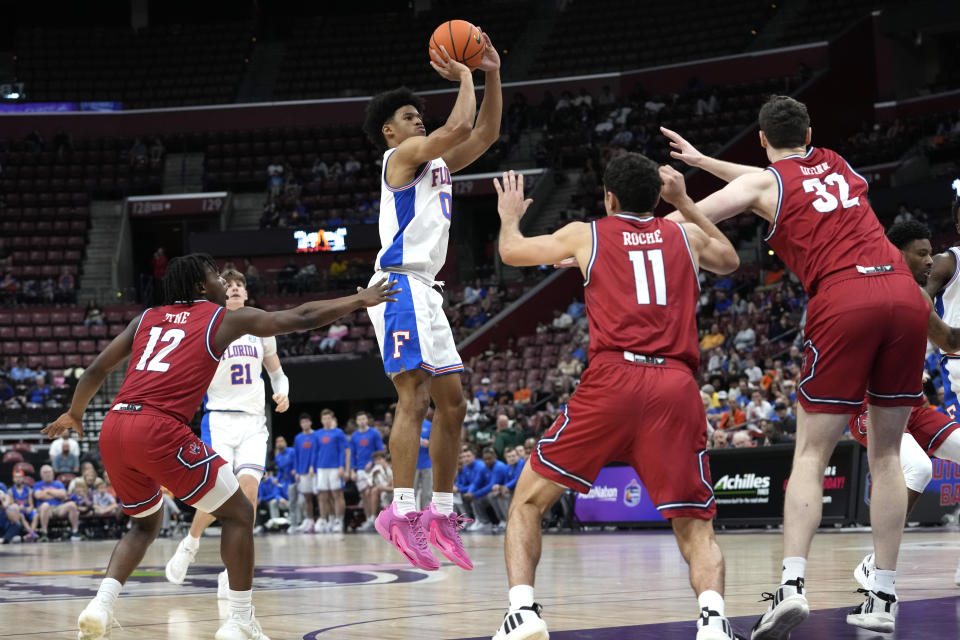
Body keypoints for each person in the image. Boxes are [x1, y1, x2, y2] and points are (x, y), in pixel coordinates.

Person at [662, 95, 929, 636]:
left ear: (761, 139)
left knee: (810, 452)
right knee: (885, 456)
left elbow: (702, 213)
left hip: (844, 295)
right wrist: (705, 160)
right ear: (809, 131)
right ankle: (883, 596)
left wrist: (609, 241)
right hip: (903, 295)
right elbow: (782, 175)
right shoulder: (838, 163)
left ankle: (791, 586)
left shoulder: (763, 182)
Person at [42, 253, 397, 640]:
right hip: (158, 428)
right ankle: (239, 620)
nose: (224, 284)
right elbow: (302, 317)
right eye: (215, 277)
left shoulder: (144, 318)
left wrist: (76, 414)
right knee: (240, 514)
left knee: (145, 524)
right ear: (200, 286)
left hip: (113, 426)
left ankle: (100, 606)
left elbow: (96, 370)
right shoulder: (221, 318)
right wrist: (359, 300)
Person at [490, 155, 741, 640]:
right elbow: (730, 259)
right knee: (695, 523)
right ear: (658, 197)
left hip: (613, 379)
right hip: (674, 383)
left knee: (527, 502)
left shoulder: (588, 234)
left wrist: (508, 218)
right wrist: (686, 203)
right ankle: (713, 622)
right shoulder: (684, 234)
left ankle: (523, 613)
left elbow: (511, 252)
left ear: (609, 198)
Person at [360, 28, 501, 571]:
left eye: (420, 113)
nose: (417, 117)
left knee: (454, 404)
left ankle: (440, 515)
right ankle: (399, 513)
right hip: (397, 285)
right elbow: (460, 123)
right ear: (389, 131)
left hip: (426, 290)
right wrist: (464, 74)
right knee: (414, 399)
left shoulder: (437, 164)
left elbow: (483, 132)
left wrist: (490, 71)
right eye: (408, 115)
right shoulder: (400, 158)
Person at [849, 220, 960, 592]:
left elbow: (947, 340)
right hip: (871, 406)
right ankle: (877, 564)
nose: (931, 260)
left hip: (911, 405)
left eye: (932, 252)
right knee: (918, 469)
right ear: (898, 254)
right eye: (922, 253)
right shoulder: (871, 293)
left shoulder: (916, 297)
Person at [165, 269, 291, 596]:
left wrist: (283, 392)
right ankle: (190, 545)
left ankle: (229, 570)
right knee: (219, 492)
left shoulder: (261, 327)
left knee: (248, 493)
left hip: (253, 421)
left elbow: (276, 372)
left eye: (240, 286)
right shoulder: (211, 326)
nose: (234, 289)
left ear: (246, 294)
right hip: (219, 419)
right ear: (221, 293)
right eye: (229, 286)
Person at [314, 408, 348, 533]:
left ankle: (339, 520)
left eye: (329, 418)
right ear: (321, 420)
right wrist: (313, 467)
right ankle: (326, 519)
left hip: (335, 468)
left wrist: (341, 466)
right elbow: (315, 452)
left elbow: (342, 451)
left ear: (332, 419)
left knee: (337, 494)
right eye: (324, 418)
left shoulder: (339, 433)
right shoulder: (317, 434)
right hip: (321, 468)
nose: (327, 420)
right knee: (323, 495)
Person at [349, 410, 385, 529]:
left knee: (372, 493)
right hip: (360, 469)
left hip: (373, 469)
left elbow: (380, 451)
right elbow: (352, 454)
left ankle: (375, 518)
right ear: (357, 422)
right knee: (364, 495)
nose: (362, 421)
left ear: (367, 420)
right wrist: (352, 470)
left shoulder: (374, 433)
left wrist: (372, 462)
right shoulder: (354, 436)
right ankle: (368, 518)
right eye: (359, 420)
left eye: (364, 419)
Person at [33, 464, 81, 542]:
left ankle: (75, 532)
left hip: (59, 507)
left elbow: (63, 494)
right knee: (45, 505)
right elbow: (39, 496)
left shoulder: (58, 483)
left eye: (49, 472)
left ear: (53, 473)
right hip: (45, 510)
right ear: (41, 475)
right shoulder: (37, 484)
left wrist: (47, 491)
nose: (47, 474)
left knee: (72, 504)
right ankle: (44, 533)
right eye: (45, 472)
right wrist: (56, 494)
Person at [292, 413, 319, 533]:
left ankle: (325, 520)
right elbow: (296, 455)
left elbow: (317, 452)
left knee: (321, 497)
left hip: (315, 471)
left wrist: (313, 466)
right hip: (302, 472)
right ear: (300, 424)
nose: (305, 424)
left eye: (307, 422)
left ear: (310, 423)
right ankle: (309, 520)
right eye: (303, 422)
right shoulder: (298, 438)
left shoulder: (316, 436)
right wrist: (297, 471)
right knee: (307, 497)